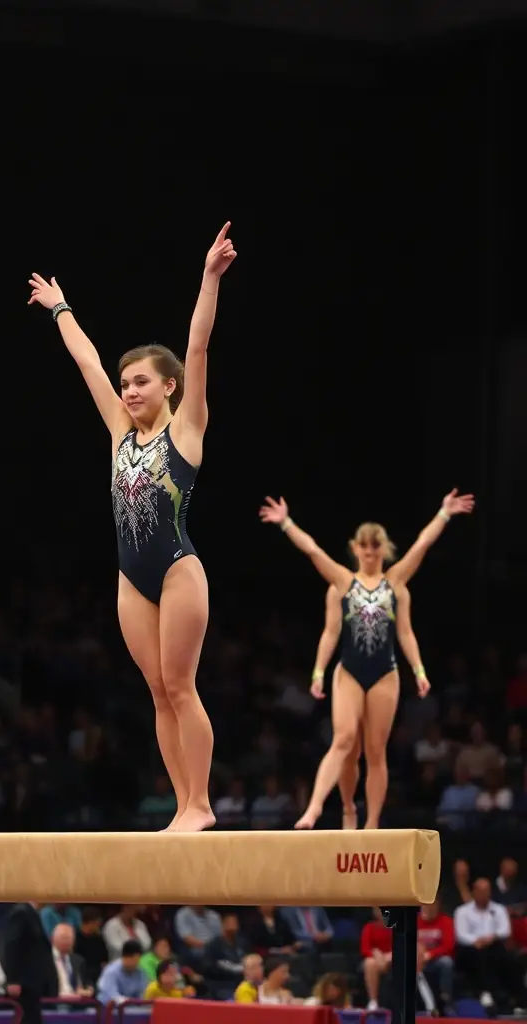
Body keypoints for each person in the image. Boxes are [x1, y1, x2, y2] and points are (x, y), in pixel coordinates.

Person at [27, 223, 237, 832]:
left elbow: (197, 347)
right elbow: (88, 363)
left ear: (168, 387)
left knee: (180, 684)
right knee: (157, 692)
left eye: (141, 381)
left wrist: (209, 277)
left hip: (176, 570)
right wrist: (61, 309)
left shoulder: (187, 430)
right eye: (126, 385)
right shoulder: (120, 432)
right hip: (130, 579)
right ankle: (182, 805)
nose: (129, 390)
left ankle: (201, 803)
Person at [259, 488, 474, 829]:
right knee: (345, 742)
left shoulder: (397, 583)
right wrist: (286, 523)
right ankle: (323, 808)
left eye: (376, 545)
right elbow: (316, 564)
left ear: (383, 549)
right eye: (365, 545)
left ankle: (372, 822)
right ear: (356, 548)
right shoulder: (342, 583)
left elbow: (406, 626)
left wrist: (418, 670)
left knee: (375, 752)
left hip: (384, 674)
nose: (371, 551)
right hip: (349, 672)